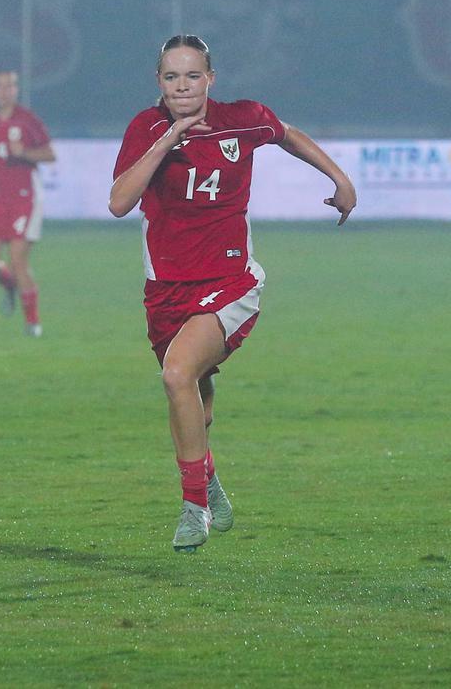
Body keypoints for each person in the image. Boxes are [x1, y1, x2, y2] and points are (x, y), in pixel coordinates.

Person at [109, 35, 356, 553]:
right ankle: (211, 487)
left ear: (210, 79)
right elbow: (118, 202)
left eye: (192, 75)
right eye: (172, 76)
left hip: (228, 283)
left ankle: (193, 508)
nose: (182, 85)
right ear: (158, 81)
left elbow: (286, 134)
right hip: (166, 290)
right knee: (198, 404)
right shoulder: (146, 128)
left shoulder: (241, 119)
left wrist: (339, 177)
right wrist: (166, 141)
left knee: (176, 375)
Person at [0, 70, 56, 336]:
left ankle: (32, 322)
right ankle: (9, 285)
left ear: (16, 90)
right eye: (0, 86)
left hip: (26, 198)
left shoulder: (28, 120)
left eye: (10, 86)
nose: (4, 91)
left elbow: (49, 154)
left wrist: (24, 153)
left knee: (18, 260)